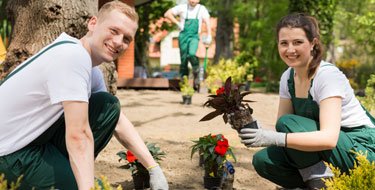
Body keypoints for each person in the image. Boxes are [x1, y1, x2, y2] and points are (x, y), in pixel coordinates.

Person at [0, 1, 168, 189]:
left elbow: (117, 121)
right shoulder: (73, 57)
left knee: (107, 105)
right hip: (8, 154)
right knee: (87, 185)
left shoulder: (88, 65)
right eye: (114, 30)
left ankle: (65, 172)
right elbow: (78, 135)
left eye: (126, 38)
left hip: (31, 142)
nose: (119, 42)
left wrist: (153, 167)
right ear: (93, 23)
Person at [236, 13, 375, 189]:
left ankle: (320, 181)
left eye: (298, 42)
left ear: (313, 44)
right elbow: (282, 126)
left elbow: (329, 138)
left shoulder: (327, 76)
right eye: (284, 43)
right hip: (326, 151)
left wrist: (274, 138)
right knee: (263, 160)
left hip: (359, 148)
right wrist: (260, 131)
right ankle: (315, 181)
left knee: (288, 123)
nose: (290, 49)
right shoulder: (287, 77)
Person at [164, 0, 211, 90]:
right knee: (184, 59)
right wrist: (177, 23)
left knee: (192, 53)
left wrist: (209, 35)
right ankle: (184, 83)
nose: (193, 0)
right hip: (183, 36)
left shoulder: (202, 9)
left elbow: (208, 22)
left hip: (194, 36)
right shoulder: (182, 7)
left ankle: (196, 70)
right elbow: (167, 14)